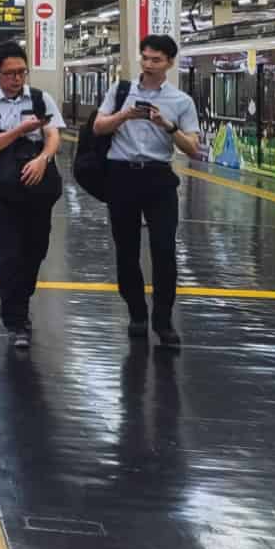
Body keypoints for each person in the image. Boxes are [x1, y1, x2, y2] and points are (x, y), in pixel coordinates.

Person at [93, 33, 201, 348]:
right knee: (126, 250)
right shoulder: (120, 91)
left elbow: (194, 149)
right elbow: (99, 127)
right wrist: (124, 114)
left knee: (164, 250)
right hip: (121, 176)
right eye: (145, 58)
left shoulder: (181, 102)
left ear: (169, 63)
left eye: (156, 60)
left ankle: (164, 320)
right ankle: (137, 314)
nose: (149, 64)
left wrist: (166, 125)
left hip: (158, 178)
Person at [0, 41, 64, 350]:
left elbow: (53, 135)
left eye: (22, 72)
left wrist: (43, 159)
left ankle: (21, 299)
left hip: (37, 191)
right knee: (9, 256)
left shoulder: (40, 98)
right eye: (10, 73)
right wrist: (20, 131)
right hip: (2, 193)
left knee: (35, 252)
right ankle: (16, 320)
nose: (17, 79)